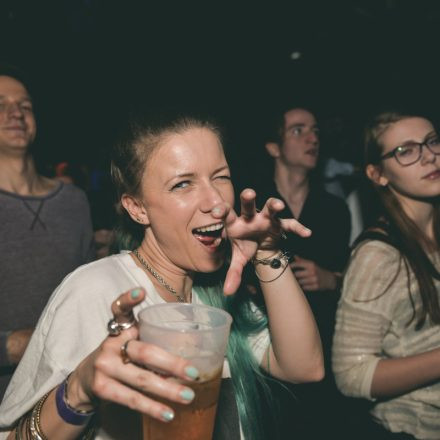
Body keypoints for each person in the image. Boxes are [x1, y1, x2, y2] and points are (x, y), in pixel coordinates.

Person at [0, 111, 324, 439]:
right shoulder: (96, 290)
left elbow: (304, 367)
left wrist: (267, 253)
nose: (216, 201)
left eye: (221, 177)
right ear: (137, 208)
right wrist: (77, 392)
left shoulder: (217, 289)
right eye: (183, 184)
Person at [332, 110, 440, 439]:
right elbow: (350, 375)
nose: (429, 156)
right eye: (406, 151)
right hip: (413, 429)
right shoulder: (378, 256)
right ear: (377, 174)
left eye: (432, 141)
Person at [249, 105, 352, 438]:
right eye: (298, 130)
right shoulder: (254, 206)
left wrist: (332, 279)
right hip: (264, 351)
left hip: (324, 347)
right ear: (273, 147)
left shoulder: (335, 209)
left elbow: (356, 282)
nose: (313, 138)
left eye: (316, 131)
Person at [0, 65, 95, 400]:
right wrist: (13, 345)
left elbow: (88, 293)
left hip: (72, 395)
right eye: (1, 105)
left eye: (24, 105)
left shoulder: (74, 201)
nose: (16, 113)